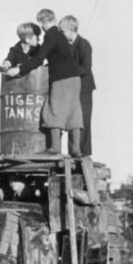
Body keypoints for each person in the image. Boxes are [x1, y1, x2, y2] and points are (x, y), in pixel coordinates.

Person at [7, 8, 83, 157]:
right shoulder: (61, 36)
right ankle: (76, 149)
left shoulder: (51, 35)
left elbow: (38, 59)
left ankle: (54, 148)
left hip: (61, 78)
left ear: (42, 22)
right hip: (75, 79)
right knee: (74, 112)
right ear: (54, 19)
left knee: (53, 110)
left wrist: (20, 69)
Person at [58, 15, 96, 157]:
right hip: (70, 88)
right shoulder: (65, 46)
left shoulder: (84, 44)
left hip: (84, 88)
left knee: (83, 120)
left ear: (71, 30)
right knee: (71, 121)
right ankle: (73, 152)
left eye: (62, 31)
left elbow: (86, 68)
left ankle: (84, 154)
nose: (60, 34)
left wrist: (66, 71)